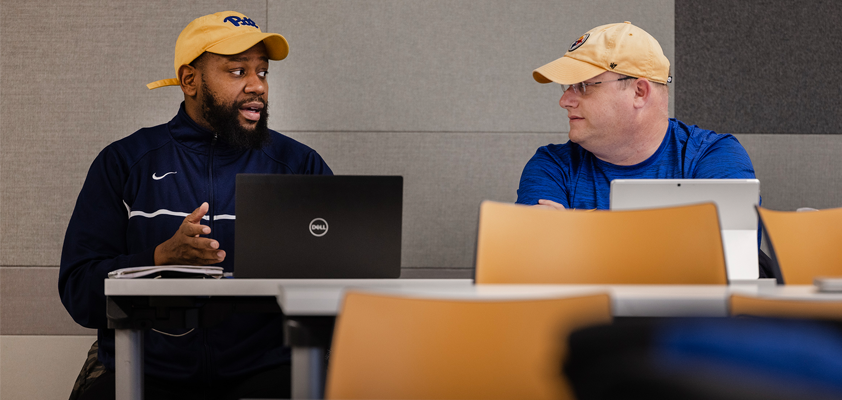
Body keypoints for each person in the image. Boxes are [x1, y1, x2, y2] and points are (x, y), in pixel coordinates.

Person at [59, 11, 332, 399]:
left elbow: (345, 285)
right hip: (146, 371)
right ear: (190, 80)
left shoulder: (299, 166)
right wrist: (158, 258)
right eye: (238, 71)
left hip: (267, 371)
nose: (258, 86)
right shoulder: (125, 162)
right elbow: (78, 292)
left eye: (263, 72)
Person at [517, 21, 756, 211]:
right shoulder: (552, 166)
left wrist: (574, 231)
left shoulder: (713, 157)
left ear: (639, 92)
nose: (564, 101)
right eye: (567, 87)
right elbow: (539, 261)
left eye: (583, 86)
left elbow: (723, 259)